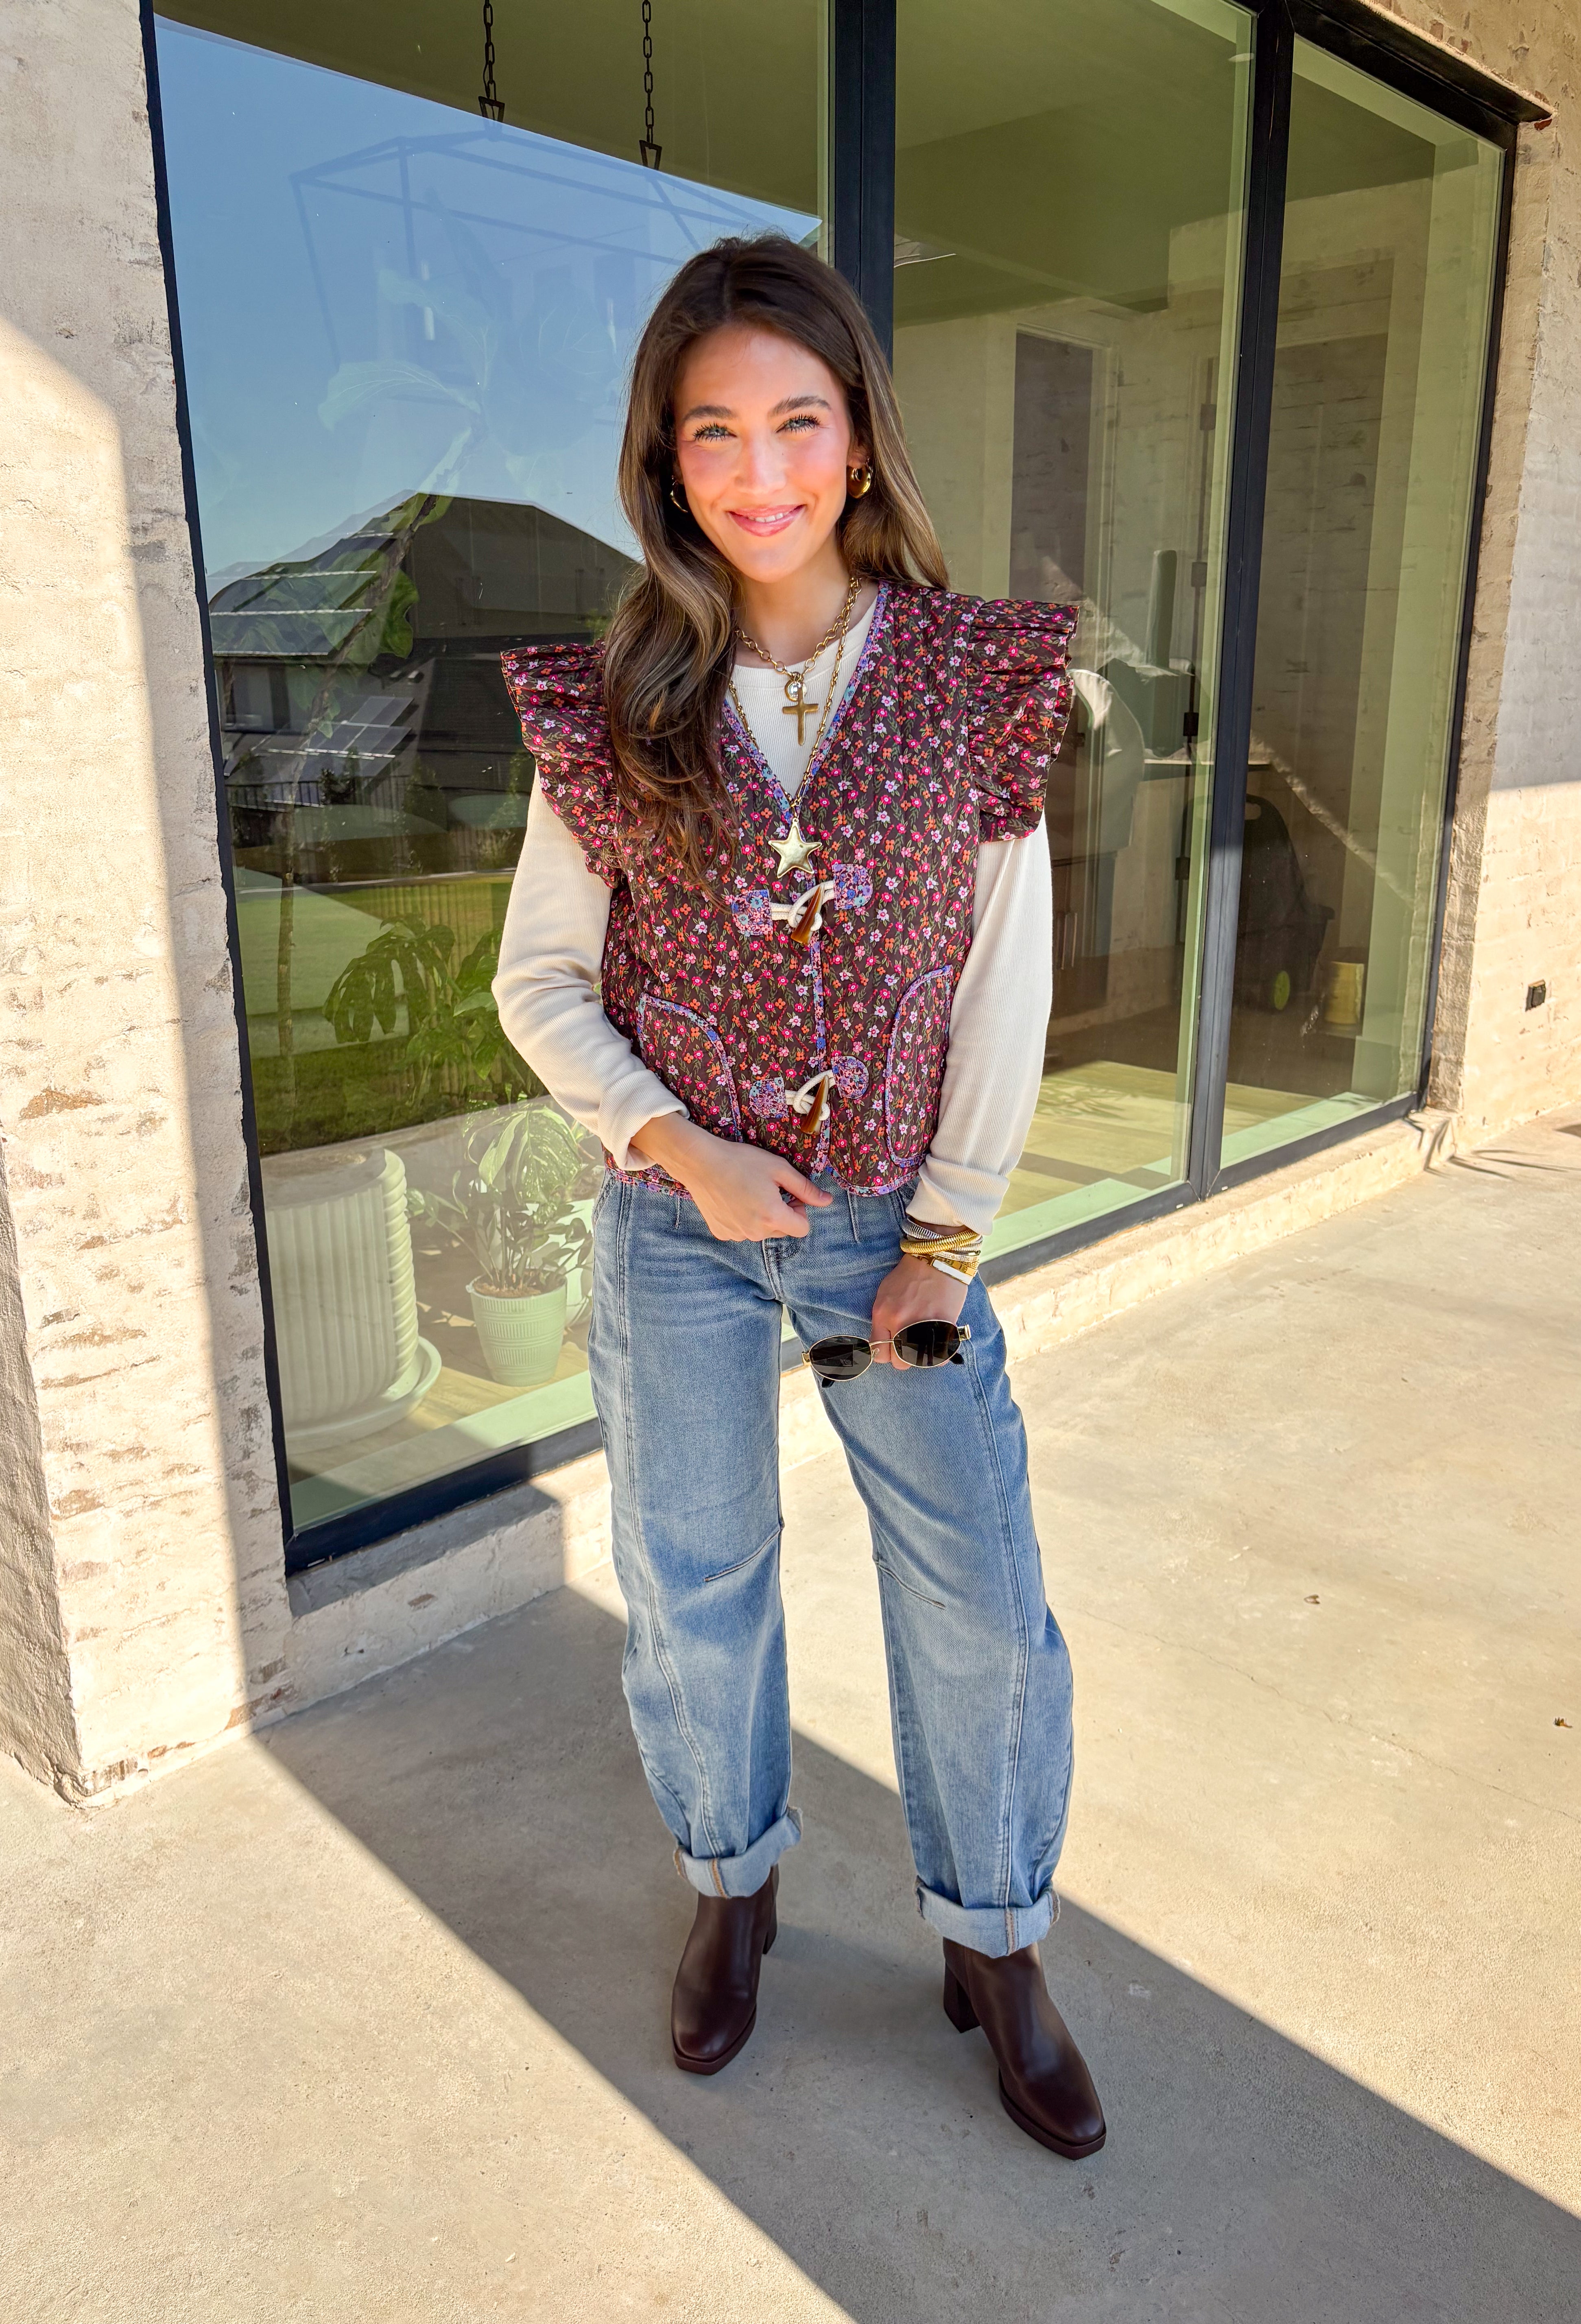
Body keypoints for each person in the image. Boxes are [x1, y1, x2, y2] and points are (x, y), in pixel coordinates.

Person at [493, 235, 1105, 2159]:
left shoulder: (976, 678)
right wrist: (675, 1144)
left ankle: (994, 1944)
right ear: (668, 467)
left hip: (888, 1228)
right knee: (695, 1584)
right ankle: (733, 1890)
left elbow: (1005, 971)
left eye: (796, 424)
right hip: (678, 1224)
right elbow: (539, 982)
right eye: (714, 436)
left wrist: (945, 1235)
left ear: (857, 442)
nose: (759, 472)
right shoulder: (614, 699)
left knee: (980, 1600)